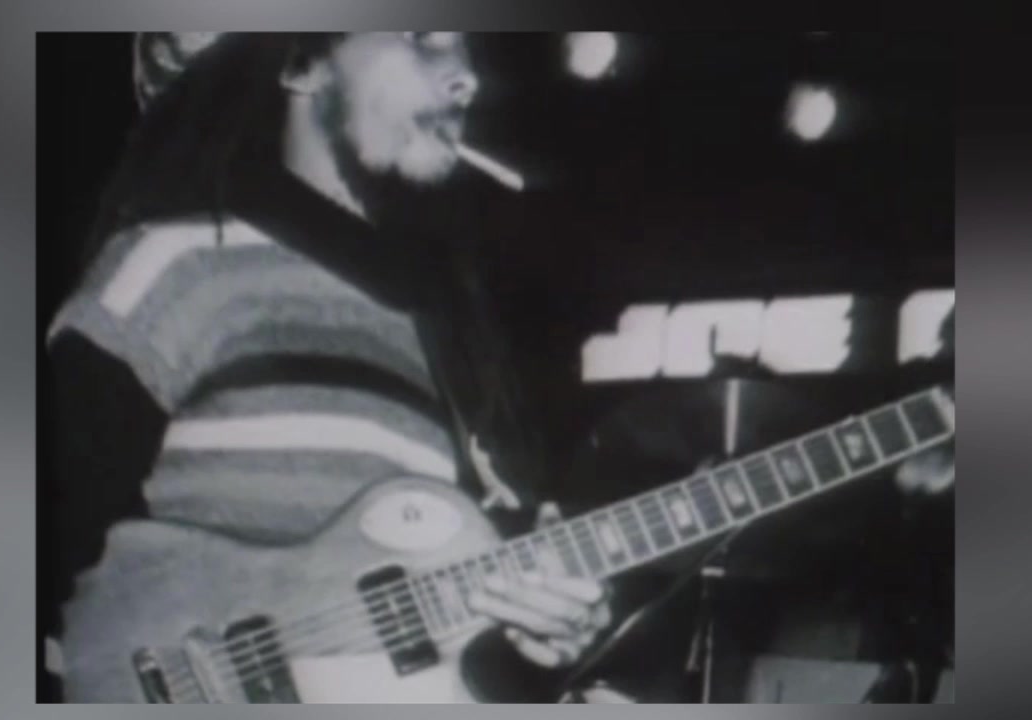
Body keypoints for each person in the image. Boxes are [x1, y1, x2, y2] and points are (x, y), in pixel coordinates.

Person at [46, 32, 610, 702]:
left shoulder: (454, 326)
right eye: (424, 38)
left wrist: (542, 637)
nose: (468, 77)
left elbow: (438, 635)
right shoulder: (180, 266)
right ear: (301, 62)